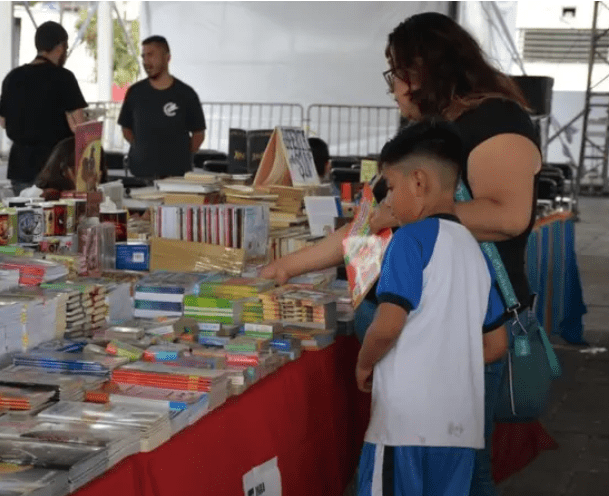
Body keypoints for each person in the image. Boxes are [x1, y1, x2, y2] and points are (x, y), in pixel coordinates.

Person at [261, 12, 539, 495]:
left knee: (461, 471)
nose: (391, 88)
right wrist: (285, 266)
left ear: (423, 68)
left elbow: (509, 215)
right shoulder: (422, 141)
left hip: (457, 330)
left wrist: (413, 212)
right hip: (416, 334)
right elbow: (364, 227)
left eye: (395, 72)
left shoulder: (494, 121)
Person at [356, 120, 506, 496]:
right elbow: (495, 345)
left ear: (418, 182)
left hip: (404, 427)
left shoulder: (408, 241)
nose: (387, 201)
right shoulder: (475, 251)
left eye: (390, 187)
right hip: (460, 430)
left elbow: (387, 327)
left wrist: (364, 361)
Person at [0, 21, 88, 196]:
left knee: (25, 220)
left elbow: (3, 122)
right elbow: (79, 126)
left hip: (19, 168)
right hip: (54, 170)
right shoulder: (64, 78)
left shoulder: (12, 77)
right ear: (60, 47)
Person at [118, 36, 206, 179]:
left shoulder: (186, 94)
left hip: (177, 177)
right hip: (140, 175)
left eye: (151, 55)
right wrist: (141, 147)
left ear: (167, 58)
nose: (146, 61)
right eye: (144, 56)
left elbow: (198, 134)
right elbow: (126, 128)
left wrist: (180, 155)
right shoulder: (135, 92)